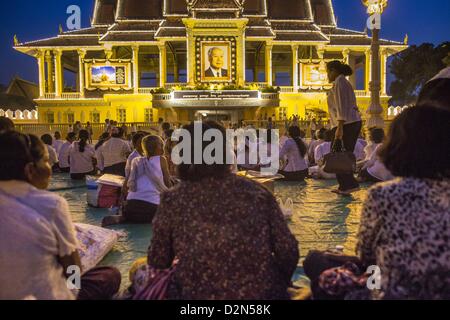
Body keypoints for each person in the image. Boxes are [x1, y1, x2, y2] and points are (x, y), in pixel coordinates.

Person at [146, 122, 299, 300]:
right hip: (259, 295)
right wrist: (277, 281)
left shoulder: (173, 200)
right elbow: (288, 250)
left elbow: (158, 259)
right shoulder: (257, 193)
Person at [0, 131, 121, 300]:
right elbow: (71, 265)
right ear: (30, 170)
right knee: (109, 275)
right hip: (48, 294)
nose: (50, 168)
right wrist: (73, 293)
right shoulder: (50, 204)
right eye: (46, 161)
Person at [357, 105, 450, 299]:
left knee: (318, 263)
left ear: (396, 146)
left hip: (394, 294)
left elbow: (366, 257)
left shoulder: (382, 196)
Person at [102, 135, 172, 226]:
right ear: (158, 148)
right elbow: (167, 183)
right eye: (161, 145)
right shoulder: (161, 159)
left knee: (132, 216)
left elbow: (125, 187)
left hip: (130, 207)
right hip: (152, 208)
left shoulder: (136, 160)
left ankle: (123, 217)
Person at [326, 60, 362, 195]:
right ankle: (346, 185)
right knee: (341, 154)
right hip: (348, 123)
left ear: (334, 71)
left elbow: (342, 105)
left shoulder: (340, 82)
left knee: (339, 155)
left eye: (328, 72)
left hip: (346, 124)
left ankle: (349, 185)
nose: (327, 75)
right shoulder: (342, 82)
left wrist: (340, 127)